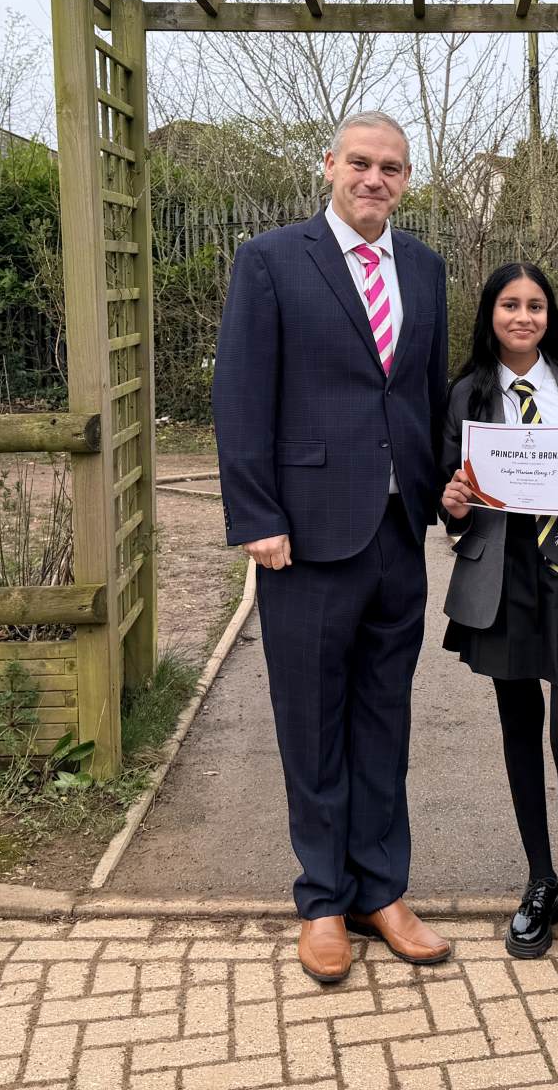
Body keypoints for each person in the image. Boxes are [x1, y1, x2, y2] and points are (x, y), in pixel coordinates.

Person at [213, 109, 451, 986]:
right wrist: (256, 515)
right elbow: (241, 394)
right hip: (305, 535)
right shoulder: (272, 260)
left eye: (392, 166)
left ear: (407, 179)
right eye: (360, 162)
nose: (374, 178)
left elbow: (427, 397)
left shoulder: (424, 269)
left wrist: (446, 490)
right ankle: (321, 900)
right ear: (329, 165)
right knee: (312, 722)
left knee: (385, 717)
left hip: (397, 531)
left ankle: (380, 892)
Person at [437, 262, 558, 971]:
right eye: (510, 305)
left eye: (536, 306)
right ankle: (540, 881)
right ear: (490, 314)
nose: (523, 317)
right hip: (505, 580)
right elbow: (448, 493)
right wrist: (452, 503)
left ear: (550, 316)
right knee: (520, 734)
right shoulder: (467, 393)